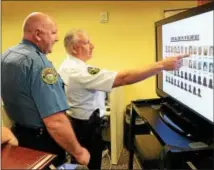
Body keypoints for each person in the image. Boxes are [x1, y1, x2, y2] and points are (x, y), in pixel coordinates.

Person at [58, 29, 188, 169]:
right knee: (89, 165)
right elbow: (124, 78)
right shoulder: (78, 71)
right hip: (86, 129)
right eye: (87, 42)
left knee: (82, 164)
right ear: (74, 48)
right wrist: (161, 65)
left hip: (79, 124)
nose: (92, 46)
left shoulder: (69, 66)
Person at [1, 13, 90, 166]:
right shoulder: (39, 65)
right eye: (53, 32)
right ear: (38, 34)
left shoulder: (7, 55)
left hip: (19, 136)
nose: (57, 38)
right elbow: (55, 122)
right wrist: (79, 152)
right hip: (42, 142)